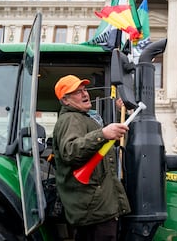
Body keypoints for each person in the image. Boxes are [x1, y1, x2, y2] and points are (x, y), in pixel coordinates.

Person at [52, 74, 130, 241]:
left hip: (97, 208)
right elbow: (71, 151)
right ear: (66, 100)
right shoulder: (70, 119)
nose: (85, 94)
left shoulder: (83, 118)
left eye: (84, 89)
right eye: (78, 92)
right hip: (95, 210)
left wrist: (117, 118)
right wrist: (102, 133)